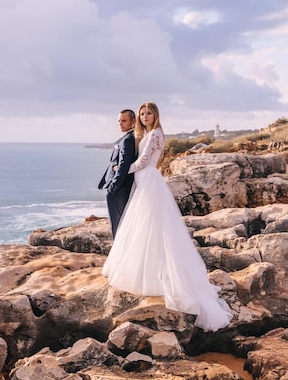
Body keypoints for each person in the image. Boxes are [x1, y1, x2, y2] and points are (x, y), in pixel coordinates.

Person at [102, 101, 233, 332]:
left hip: (149, 181)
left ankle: (158, 275)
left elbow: (143, 162)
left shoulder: (155, 135)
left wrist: (119, 170)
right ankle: (149, 270)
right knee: (144, 228)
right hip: (144, 182)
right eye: (142, 113)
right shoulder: (148, 133)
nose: (145, 116)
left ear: (156, 115)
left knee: (153, 226)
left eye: (148, 113)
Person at [98, 109, 137, 239]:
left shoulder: (128, 139)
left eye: (124, 121)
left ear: (133, 122)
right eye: (119, 121)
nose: (120, 124)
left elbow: (124, 166)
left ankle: (119, 254)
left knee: (118, 225)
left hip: (119, 189)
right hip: (120, 188)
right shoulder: (127, 137)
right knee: (121, 224)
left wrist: (113, 188)